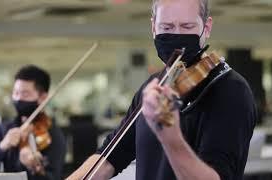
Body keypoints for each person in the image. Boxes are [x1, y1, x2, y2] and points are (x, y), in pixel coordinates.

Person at [67, 0, 257, 179]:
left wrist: (170, 137)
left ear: (206, 27)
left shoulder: (231, 91)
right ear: (153, 27)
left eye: (187, 27)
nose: (176, 35)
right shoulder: (154, 86)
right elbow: (108, 159)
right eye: (166, 27)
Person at [0, 65, 66, 180]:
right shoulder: (2, 129)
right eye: (15, 93)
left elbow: (54, 177)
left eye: (25, 94)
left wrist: (35, 169)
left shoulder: (53, 134)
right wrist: (2, 147)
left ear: (43, 98)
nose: (18, 98)